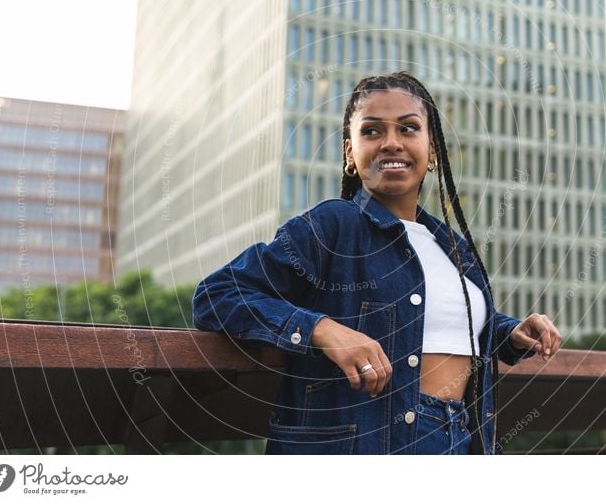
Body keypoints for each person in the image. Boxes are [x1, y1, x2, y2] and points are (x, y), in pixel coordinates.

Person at [193, 71, 562, 454]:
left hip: (462, 438)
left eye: (408, 128)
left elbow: (438, 325)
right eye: (371, 131)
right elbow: (217, 294)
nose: (391, 143)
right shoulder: (334, 224)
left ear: (432, 148)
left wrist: (509, 332)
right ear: (350, 153)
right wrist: (323, 330)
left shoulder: (451, 245)